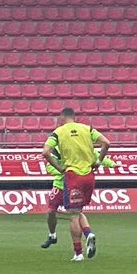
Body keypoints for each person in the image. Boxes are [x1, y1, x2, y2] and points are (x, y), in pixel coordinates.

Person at [46, 106, 109, 262]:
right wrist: (99, 161)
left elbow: (45, 152)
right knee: (78, 211)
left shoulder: (58, 132)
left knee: (73, 214)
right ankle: (89, 233)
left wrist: (59, 167)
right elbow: (106, 143)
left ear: (62, 118)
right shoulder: (87, 129)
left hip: (73, 176)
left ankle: (78, 253)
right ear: (75, 118)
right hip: (89, 175)